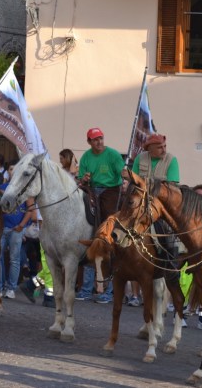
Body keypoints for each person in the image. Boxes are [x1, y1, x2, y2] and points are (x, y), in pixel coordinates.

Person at [129, 133, 180, 306]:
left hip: (162, 206)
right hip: (141, 202)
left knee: (168, 234)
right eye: (159, 147)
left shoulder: (172, 160)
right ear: (149, 148)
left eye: (165, 146)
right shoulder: (139, 159)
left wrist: (149, 186)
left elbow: (172, 186)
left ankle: (171, 265)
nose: (164, 150)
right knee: (121, 220)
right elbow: (133, 180)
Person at [75, 127, 123, 301]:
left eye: (101, 138)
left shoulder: (113, 155)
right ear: (89, 142)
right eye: (95, 139)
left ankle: (108, 291)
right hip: (93, 190)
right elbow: (81, 178)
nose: (99, 142)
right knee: (89, 230)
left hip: (111, 191)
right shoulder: (86, 157)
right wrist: (84, 178)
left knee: (108, 232)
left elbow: (122, 173)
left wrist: (127, 176)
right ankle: (86, 289)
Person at [0, 160, 35, 299]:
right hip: (2, 228)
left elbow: (30, 210)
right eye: (11, 169)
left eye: (15, 169)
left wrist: (21, 226)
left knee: (14, 259)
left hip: (16, 229)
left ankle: (11, 288)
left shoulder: (26, 190)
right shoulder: (2, 187)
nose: (12, 171)